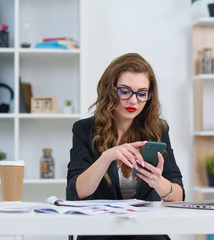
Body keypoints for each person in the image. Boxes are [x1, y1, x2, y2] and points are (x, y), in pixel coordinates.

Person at [67, 53, 185, 240]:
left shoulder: (158, 129)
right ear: (109, 90)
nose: (133, 101)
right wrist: (106, 157)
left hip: (145, 232)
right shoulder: (84, 129)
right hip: (100, 232)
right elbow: (75, 192)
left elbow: (178, 195)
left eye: (142, 93)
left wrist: (158, 183)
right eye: (124, 91)